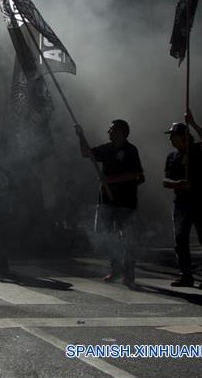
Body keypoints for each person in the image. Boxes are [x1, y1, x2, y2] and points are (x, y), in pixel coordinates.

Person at [76, 119, 145, 289]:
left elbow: (135, 174)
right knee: (105, 234)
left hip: (125, 202)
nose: (109, 131)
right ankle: (116, 268)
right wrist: (81, 136)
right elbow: (87, 153)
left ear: (121, 131)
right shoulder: (106, 149)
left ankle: (129, 274)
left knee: (127, 238)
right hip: (106, 200)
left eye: (112, 129)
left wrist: (110, 179)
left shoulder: (130, 150)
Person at [162, 110, 202, 289]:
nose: (170, 139)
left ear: (182, 136)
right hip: (181, 204)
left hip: (200, 201)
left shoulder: (196, 150)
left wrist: (193, 124)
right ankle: (186, 275)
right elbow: (165, 180)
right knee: (180, 240)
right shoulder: (172, 157)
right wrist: (177, 183)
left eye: (173, 135)